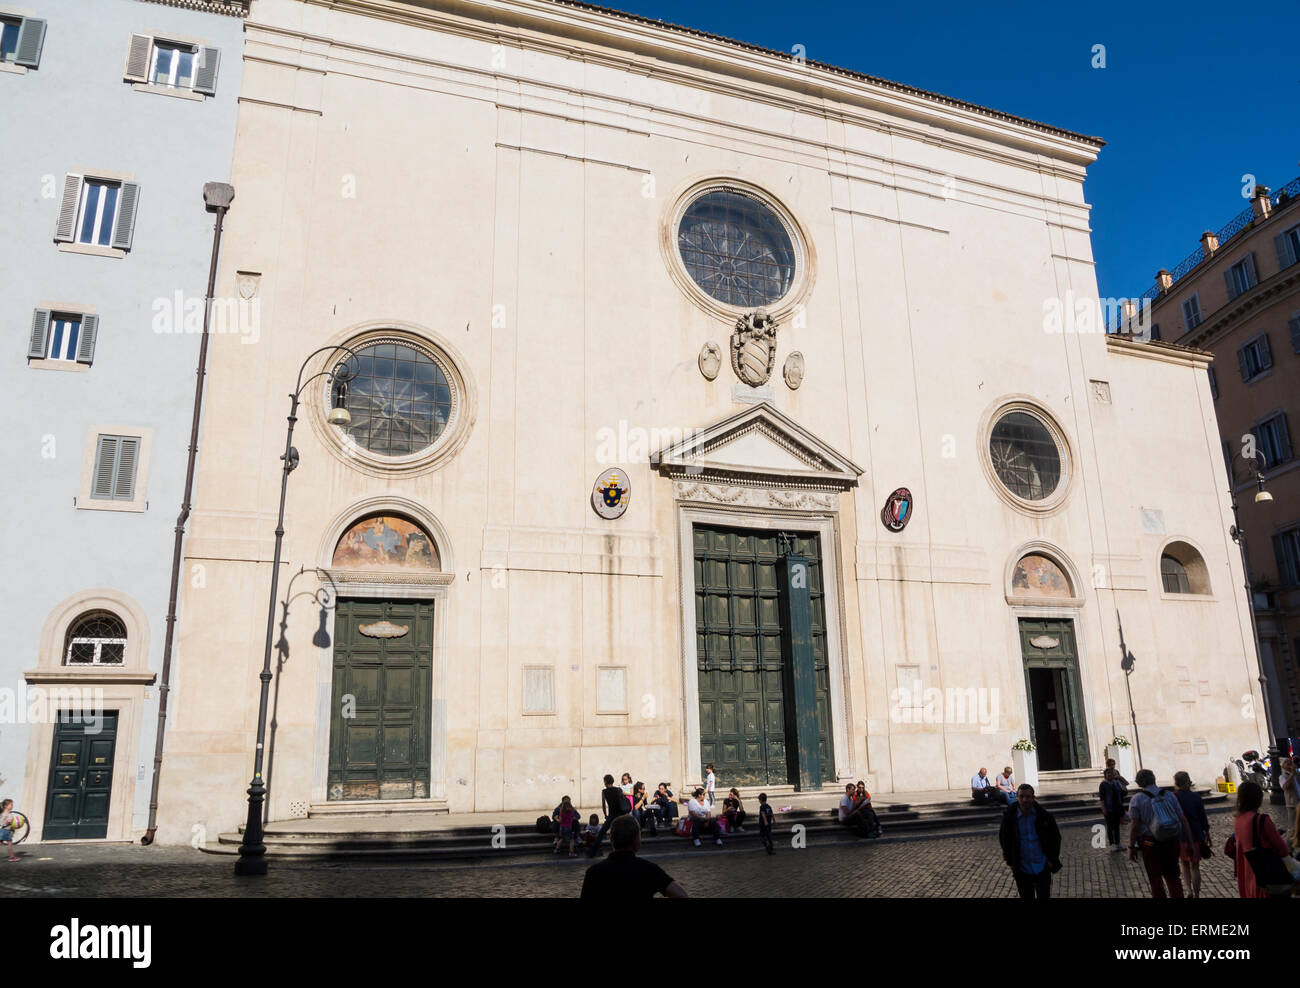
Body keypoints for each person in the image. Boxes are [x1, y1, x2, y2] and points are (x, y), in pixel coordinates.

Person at [581, 814, 688, 899]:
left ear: (612, 840)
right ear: (637, 840)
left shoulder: (594, 872)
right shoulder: (649, 870)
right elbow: (681, 895)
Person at [1127, 769, 1190, 899]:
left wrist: (1131, 846)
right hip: (1171, 840)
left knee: (1155, 879)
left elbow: (1134, 825)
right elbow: (1182, 818)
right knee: (1173, 876)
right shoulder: (1169, 795)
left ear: (1139, 782)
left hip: (1149, 842)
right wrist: (1189, 841)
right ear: (1154, 778)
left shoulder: (1137, 799)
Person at [1225, 780, 1293, 899]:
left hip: (1247, 874)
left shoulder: (1238, 819)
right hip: (1265, 877)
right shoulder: (1261, 820)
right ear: (1258, 799)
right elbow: (1283, 850)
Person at [998, 784, 1061, 898]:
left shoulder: (1045, 816)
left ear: (1033, 798)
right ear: (1017, 797)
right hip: (1022, 868)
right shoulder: (1009, 818)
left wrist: (1052, 859)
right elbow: (1004, 839)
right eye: (1021, 796)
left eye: (1028, 796)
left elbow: (1055, 838)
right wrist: (1010, 861)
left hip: (1042, 866)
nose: (1025, 800)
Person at [1172, 771, 1210, 898]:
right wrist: (1207, 833)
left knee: (1183, 863)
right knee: (1195, 866)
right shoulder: (1196, 797)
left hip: (1180, 835)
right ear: (1188, 781)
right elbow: (1202, 817)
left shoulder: (1173, 797)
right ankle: (1197, 894)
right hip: (1196, 834)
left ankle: (1188, 890)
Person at [588, 773, 632, 858]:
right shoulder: (618, 789)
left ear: (605, 782)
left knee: (601, 834)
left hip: (611, 815)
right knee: (621, 834)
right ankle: (624, 852)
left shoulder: (604, 791)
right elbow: (622, 801)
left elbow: (604, 805)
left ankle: (592, 853)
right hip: (620, 815)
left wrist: (605, 815)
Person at [1099, 769, 1127, 851]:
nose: (1111, 775)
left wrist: (1121, 779)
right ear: (1105, 775)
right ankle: (1112, 844)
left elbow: (1124, 792)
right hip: (1109, 808)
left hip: (1117, 807)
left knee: (1117, 827)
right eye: (1109, 773)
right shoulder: (1103, 784)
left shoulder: (1116, 783)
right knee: (1110, 827)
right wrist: (1103, 808)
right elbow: (1102, 798)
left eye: (1112, 773)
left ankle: (1118, 843)